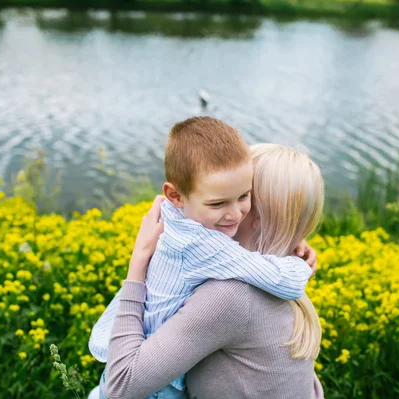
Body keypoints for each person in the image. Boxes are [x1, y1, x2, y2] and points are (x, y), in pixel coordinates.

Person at [89, 117, 315, 399]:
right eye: (218, 201)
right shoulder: (273, 293)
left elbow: (120, 387)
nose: (234, 213)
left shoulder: (229, 295)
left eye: (245, 196)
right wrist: (291, 247)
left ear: (259, 217)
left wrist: (137, 266)